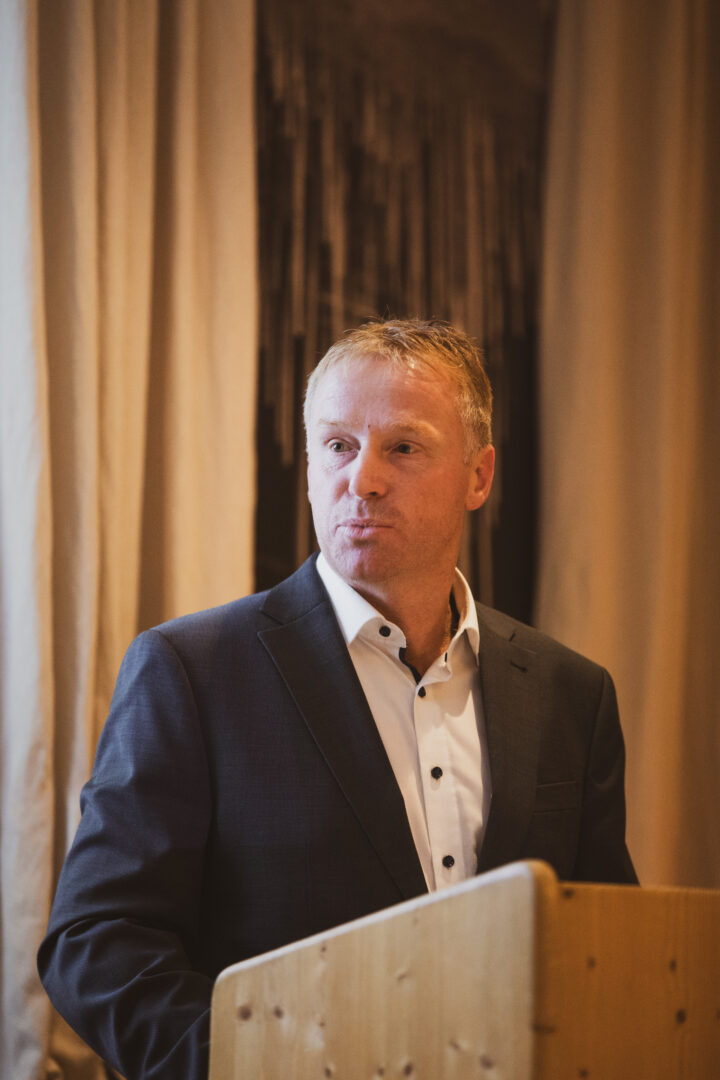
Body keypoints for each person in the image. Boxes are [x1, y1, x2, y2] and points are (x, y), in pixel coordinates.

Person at [38, 318, 636, 1080]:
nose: (363, 480)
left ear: (479, 477)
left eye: (404, 448)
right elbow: (97, 942)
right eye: (338, 446)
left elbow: (604, 949)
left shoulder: (571, 694)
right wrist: (252, 1067)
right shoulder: (190, 671)